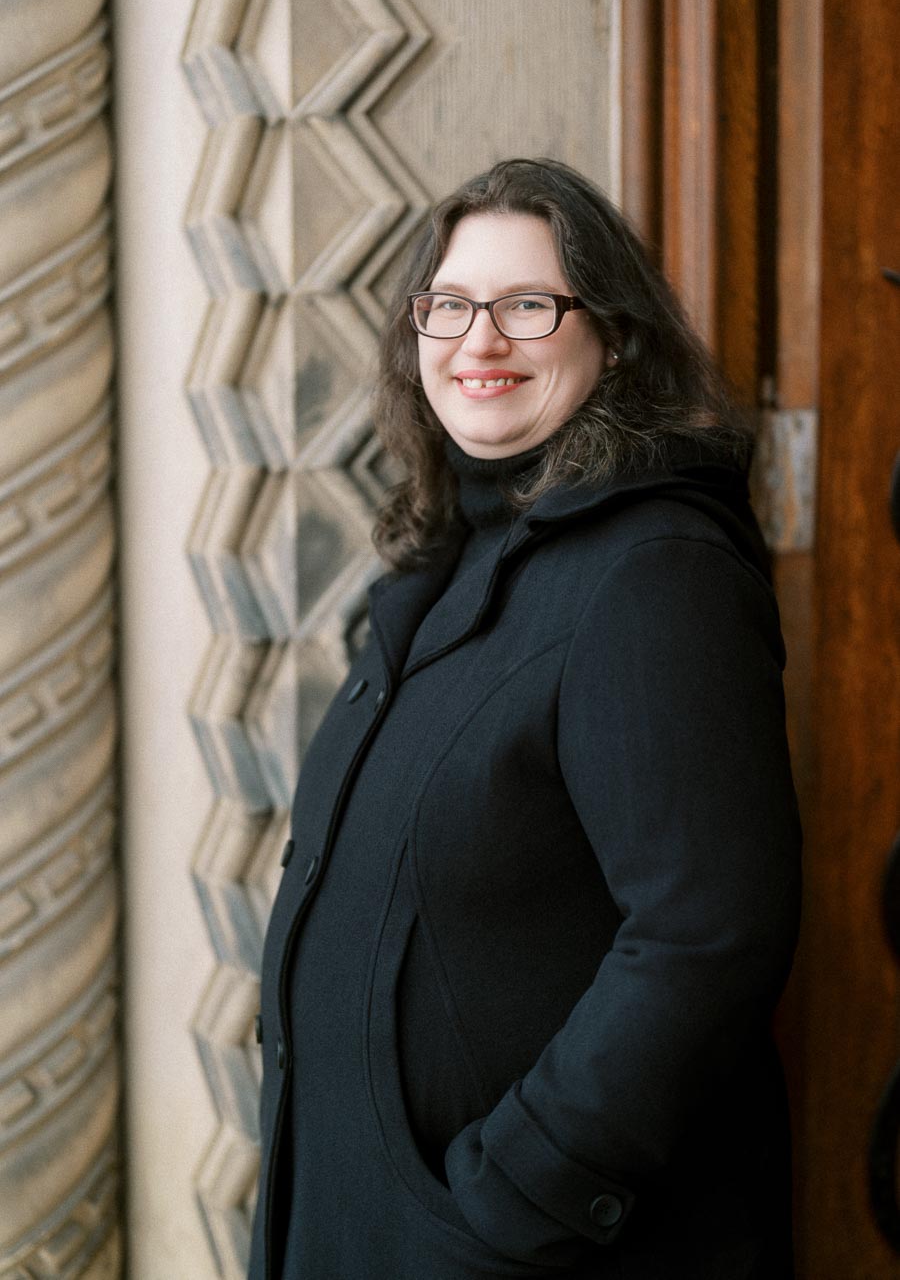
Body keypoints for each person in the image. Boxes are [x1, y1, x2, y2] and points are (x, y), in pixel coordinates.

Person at [248, 158, 802, 1280]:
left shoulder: (654, 572)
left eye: (528, 306)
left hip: (513, 1249)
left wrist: (517, 1191)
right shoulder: (447, 563)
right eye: (448, 305)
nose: (479, 341)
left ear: (614, 337)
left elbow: (708, 931)